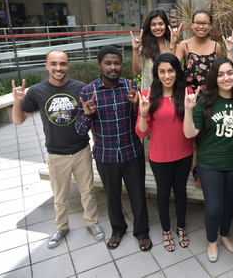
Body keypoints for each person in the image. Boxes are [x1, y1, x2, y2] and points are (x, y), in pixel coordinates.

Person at [11, 49, 104, 249]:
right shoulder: (37, 91)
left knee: (87, 192)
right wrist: (17, 100)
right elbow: (18, 120)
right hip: (56, 153)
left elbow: (91, 118)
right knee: (60, 196)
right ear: (47, 66)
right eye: (53, 64)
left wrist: (95, 142)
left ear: (68, 65)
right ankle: (62, 227)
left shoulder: (80, 88)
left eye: (62, 64)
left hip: (80, 150)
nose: (58, 68)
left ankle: (92, 223)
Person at [75, 45, 151, 251]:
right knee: (112, 196)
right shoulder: (88, 92)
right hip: (105, 154)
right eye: (108, 63)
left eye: (117, 63)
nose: (113, 67)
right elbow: (80, 131)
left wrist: (136, 105)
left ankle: (142, 231)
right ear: (99, 65)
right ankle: (118, 229)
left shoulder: (130, 87)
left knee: (138, 194)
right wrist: (87, 115)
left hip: (131, 151)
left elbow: (141, 125)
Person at [184, 57, 233, 263]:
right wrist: (187, 109)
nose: (226, 78)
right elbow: (189, 133)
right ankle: (212, 240)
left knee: (230, 202)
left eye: (229, 73)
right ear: (214, 77)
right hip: (210, 163)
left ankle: (224, 235)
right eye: (220, 74)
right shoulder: (204, 101)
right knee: (214, 207)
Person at [136, 53, 193, 252]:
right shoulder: (147, 95)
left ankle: (181, 226)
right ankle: (166, 230)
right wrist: (143, 113)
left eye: (171, 70)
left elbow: (193, 126)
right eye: (162, 71)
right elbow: (142, 132)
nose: (167, 75)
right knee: (162, 193)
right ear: (156, 73)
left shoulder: (186, 92)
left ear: (177, 72)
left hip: (184, 154)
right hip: (159, 156)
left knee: (180, 192)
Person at [176, 9, 223, 189]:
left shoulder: (216, 46)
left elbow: (222, 70)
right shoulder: (184, 45)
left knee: (208, 135)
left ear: (210, 26)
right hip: (191, 98)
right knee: (193, 135)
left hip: (212, 97)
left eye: (205, 23)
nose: (201, 26)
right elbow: (173, 67)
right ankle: (195, 170)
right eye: (197, 22)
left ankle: (204, 171)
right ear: (192, 24)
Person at [131, 8, 182, 92]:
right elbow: (137, 71)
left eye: (161, 24)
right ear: (149, 27)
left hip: (170, 92)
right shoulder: (143, 46)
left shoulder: (172, 44)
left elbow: (172, 66)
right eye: (153, 24)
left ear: (166, 25)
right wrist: (135, 49)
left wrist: (173, 43)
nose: (157, 27)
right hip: (150, 93)